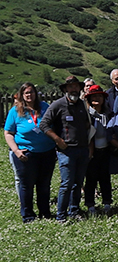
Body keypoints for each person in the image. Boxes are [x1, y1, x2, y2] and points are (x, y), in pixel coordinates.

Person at [38, 75, 91, 221]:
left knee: (78, 183)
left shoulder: (81, 104)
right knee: (66, 183)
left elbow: (87, 123)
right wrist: (57, 139)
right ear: (65, 89)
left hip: (82, 149)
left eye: (76, 86)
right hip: (66, 151)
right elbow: (44, 125)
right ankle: (61, 215)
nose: (74, 89)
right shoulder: (57, 105)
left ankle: (74, 211)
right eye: (70, 87)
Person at [5, 82, 56, 222]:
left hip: (47, 152)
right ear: (22, 95)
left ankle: (45, 213)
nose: (29, 95)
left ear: (36, 93)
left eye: (31, 92)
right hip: (26, 154)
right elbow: (8, 133)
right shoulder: (15, 111)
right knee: (26, 186)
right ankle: (28, 215)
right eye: (26, 93)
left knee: (44, 185)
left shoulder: (45, 107)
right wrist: (16, 151)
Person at [83, 84, 115, 215]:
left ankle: (107, 203)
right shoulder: (86, 115)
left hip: (106, 150)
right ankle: (90, 205)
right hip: (92, 152)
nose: (97, 99)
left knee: (105, 178)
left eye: (99, 96)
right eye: (93, 96)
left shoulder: (108, 114)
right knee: (91, 179)